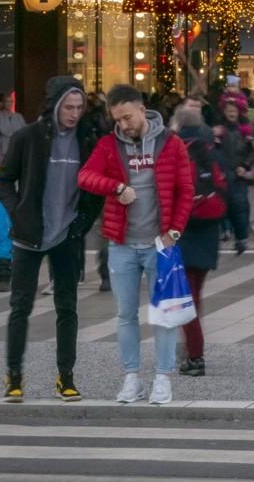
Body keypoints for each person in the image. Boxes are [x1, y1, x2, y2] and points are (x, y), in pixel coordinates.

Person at [78, 84, 195, 405]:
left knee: (163, 314)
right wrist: (116, 187)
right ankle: (131, 378)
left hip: (160, 244)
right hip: (122, 244)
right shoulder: (108, 144)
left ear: (142, 110)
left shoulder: (170, 144)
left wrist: (174, 232)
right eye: (118, 120)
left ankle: (162, 378)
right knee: (125, 314)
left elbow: (185, 190)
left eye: (128, 117)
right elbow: (85, 176)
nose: (124, 125)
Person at [0, 77, 101, 403]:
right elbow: (4, 180)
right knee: (20, 307)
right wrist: (18, 213)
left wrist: (82, 223)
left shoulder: (87, 139)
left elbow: (97, 184)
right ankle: (14, 375)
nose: (74, 113)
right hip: (29, 235)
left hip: (67, 234)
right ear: (54, 105)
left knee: (67, 307)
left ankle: (65, 376)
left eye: (79, 107)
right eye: (68, 107)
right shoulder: (28, 136)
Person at [176, 113, 228, 378]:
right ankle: (189, 348)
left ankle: (194, 355)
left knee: (186, 301)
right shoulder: (211, 152)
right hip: (208, 231)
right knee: (196, 296)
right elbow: (230, 193)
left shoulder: (175, 152)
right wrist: (240, 233)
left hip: (182, 230)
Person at [216, 98, 252, 256]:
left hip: (239, 174)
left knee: (240, 206)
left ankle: (242, 237)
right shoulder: (218, 129)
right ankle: (224, 232)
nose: (231, 113)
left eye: (234, 110)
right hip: (222, 174)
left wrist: (245, 166)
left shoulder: (247, 129)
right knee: (222, 206)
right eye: (228, 110)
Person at [0, 92, 27, 168]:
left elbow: (24, 133)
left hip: (17, 151)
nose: (9, 103)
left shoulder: (19, 116)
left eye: (11, 101)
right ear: (3, 103)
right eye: (7, 101)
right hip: (3, 151)